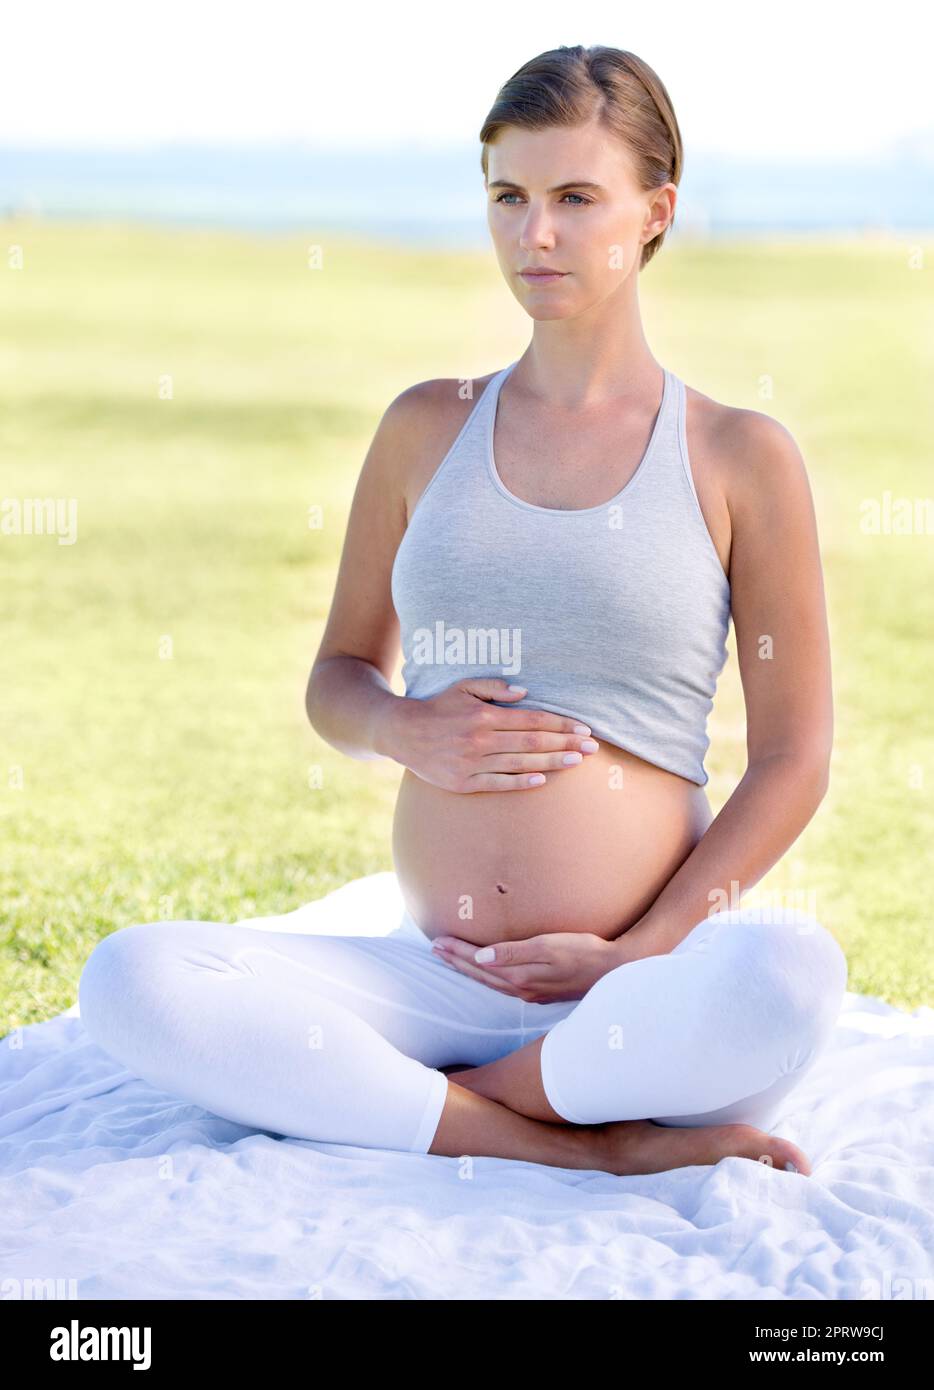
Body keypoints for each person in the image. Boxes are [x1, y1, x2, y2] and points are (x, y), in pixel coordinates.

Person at [79, 44, 847, 1179]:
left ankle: (420, 1104)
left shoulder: (737, 455)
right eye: (508, 197)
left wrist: (635, 951)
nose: (534, 236)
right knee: (132, 978)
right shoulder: (424, 429)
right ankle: (580, 1144)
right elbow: (339, 675)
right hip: (435, 978)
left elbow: (795, 756)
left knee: (788, 977)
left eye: (575, 199)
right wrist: (400, 726)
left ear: (653, 213)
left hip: (636, 991)